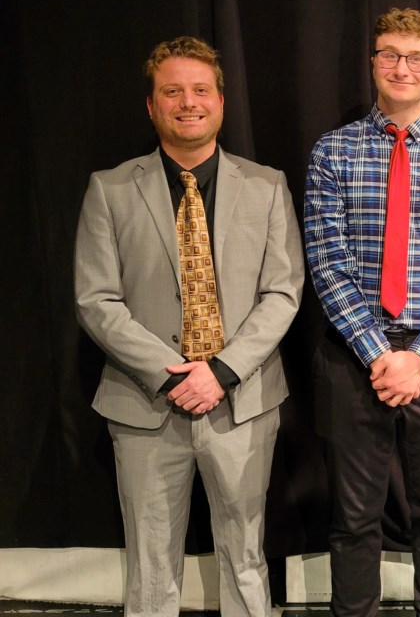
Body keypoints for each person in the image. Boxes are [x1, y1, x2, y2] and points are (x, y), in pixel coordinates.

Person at [74, 37, 304, 617]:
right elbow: (96, 299)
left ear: (221, 102)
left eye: (200, 90)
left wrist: (220, 372)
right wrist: (170, 372)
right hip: (146, 403)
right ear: (151, 106)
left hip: (242, 401)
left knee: (246, 558)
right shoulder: (110, 189)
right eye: (171, 91)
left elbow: (282, 292)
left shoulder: (268, 185)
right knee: (150, 569)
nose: (188, 102)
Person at [303, 8, 420, 617]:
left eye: (416, 58)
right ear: (373, 64)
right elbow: (326, 262)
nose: (401, 67)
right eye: (389, 54)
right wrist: (379, 353)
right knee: (354, 517)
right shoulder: (333, 152)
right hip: (353, 356)